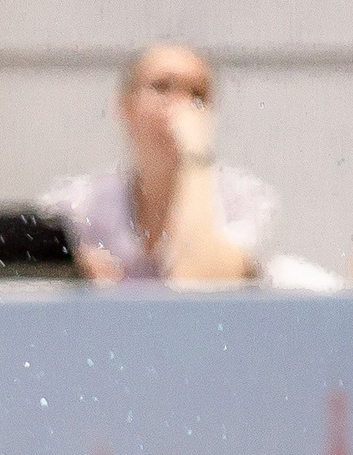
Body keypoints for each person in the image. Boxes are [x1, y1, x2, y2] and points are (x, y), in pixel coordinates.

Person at [41, 43, 275, 284]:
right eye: (162, 87)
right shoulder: (83, 205)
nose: (181, 105)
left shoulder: (241, 200)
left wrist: (196, 155)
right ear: (125, 105)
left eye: (197, 94)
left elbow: (204, 286)